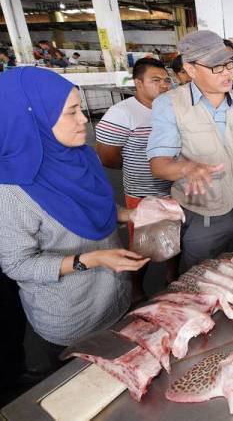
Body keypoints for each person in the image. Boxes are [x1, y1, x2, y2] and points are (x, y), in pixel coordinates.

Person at [0, 67, 148, 379]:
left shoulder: (83, 157)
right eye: (71, 112)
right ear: (33, 117)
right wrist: (90, 260)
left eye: (81, 109)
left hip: (114, 294)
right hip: (71, 314)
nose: (84, 120)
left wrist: (133, 214)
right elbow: (17, 265)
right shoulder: (14, 190)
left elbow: (98, 207)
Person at [147, 30, 233, 272]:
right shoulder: (170, 104)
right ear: (190, 69)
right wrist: (188, 168)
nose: (228, 72)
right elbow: (158, 165)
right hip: (202, 218)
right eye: (216, 67)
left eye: (229, 63)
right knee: (201, 283)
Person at [95, 58, 174, 301]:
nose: (163, 85)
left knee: (173, 238)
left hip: (172, 187)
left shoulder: (170, 108)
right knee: (142, 244)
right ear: (138, 83)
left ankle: (172, 280)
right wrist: (141, 168)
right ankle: (136, 290)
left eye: (165, 80)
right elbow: (107, 156)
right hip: (142, 191)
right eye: (155, 80)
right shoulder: (122, 113)